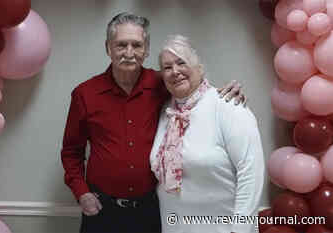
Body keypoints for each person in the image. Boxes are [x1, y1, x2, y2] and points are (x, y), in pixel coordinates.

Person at [61, 12, 246, 233]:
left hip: (150, 210)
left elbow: (196, 90)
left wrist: (226, 93)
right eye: (121, 45)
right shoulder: (85, 94)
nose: (129, 53)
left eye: (136, 45)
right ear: (108, 48)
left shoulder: (163, 83)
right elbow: (71, 151)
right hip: (102, 210)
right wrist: (81, 192)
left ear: (146, 49)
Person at [150, 35, 265, 233]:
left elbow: (251, 173)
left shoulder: (227, 105)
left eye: (181, 62)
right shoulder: (165, 113)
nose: (175, 71)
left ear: (199, 68)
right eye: (167, 67)